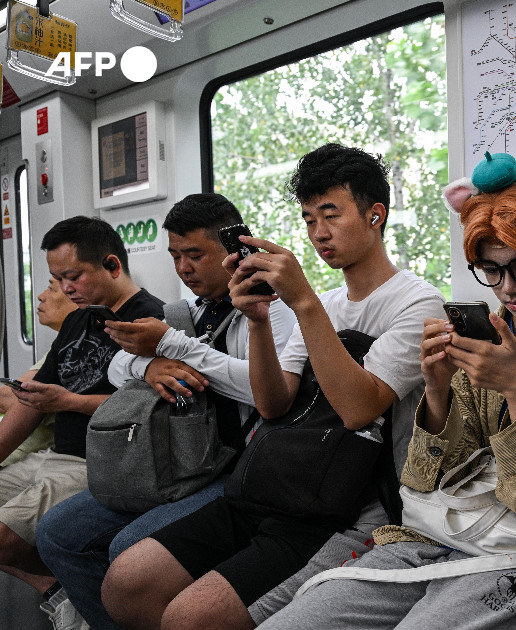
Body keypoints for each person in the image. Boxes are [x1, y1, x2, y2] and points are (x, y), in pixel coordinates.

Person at [256, 154, 516, 630]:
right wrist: (436, 393)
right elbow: (426, 481)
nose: (507, 288)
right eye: (490, 269)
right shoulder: (481, 334)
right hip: (439, 530)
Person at [101, 144, 445, 630]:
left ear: (375, 215)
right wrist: (258, 321)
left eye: (331, 215)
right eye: (308, 220)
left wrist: (303, 302)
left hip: (350, 508)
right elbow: (273, 401)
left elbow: (359, 409)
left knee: (189, 618)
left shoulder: (417, 302)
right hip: (279, 484)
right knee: (127, 582)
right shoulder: (324, 300)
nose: (319, 234)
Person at [34, 194, 296, 630]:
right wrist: (150, 364)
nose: (183, 268)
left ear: (233, 251)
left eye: (195, 255)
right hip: (182, 457)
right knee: (58, 533)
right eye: (175, 256)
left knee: (130, 548)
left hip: (236, 467)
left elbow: (263, 391)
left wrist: (173, 348)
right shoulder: (186, 312)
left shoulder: (275, 311)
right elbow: (117, 366)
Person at [0, 216, 165, 626]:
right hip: (53, 456)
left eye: (72, 276)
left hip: (102, 464)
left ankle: (76, 593)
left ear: (112, 265)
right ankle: (64, 589)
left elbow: (143, 409)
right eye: (58, 278)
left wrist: (70, 402)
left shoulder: (151, 320)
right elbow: (34, 399)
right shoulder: (78, 319)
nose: (65, 288)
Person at [0, 278, 79, 465]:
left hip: (20, 457)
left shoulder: (70, 348)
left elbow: (15, 397)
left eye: (51, 289)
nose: (40, 296)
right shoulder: (60, 345)